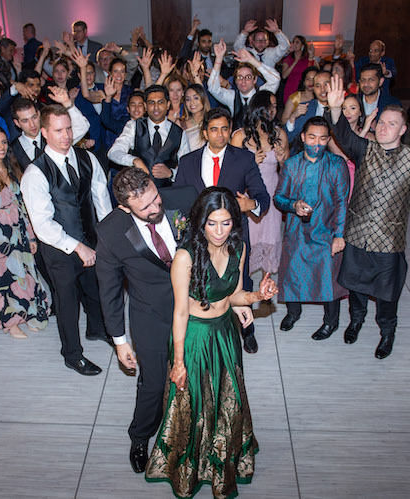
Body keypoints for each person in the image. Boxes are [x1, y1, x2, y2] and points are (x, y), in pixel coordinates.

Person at [145, 187, 277, 499]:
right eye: (212, 223)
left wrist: (258, 296)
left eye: (226, 223)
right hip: (192, 337)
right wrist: (178, 362)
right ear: (200, 222)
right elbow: (179, 312)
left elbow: (233, 294)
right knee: (193, 406)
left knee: (225, 401)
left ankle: (221, 463)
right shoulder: (185, 256)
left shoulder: (239, 247)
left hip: (224, 333)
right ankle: (190, 468)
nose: (219, 232)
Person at [325, 74, 410, 359]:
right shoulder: (365, 150)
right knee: (354, 286)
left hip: (389, 242)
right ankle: (356, 321)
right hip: (357, 236)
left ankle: (387, 333)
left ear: (403, 130)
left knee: (387, 295)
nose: (384, 128)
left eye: (392, 124)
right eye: (381, 123)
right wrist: (336, 109)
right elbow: (344, 136)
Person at [95, 167, 198, 474]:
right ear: (124, 207)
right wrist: (119, 341)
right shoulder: (110, 232)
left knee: (196, 373)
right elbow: (109, 289)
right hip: (150, 312)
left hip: (195, 306)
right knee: (152, 384)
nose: (155, 208)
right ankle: (140, 437)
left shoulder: (184, 198)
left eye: (155, 198)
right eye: (145, 208)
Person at [21, 104, 112, 376]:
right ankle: (72, 354)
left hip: (91, 237)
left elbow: (100, 197)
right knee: (67, 300)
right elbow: (43, 225)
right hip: (58, 248)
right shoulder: (35, 173)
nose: (66, 135)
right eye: (59, 130)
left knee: (95, 287)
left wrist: (105, 235)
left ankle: (97, 329)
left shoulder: (86, 158)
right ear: (45, 132)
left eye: (69, 128)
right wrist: (78, 247)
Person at [175, 107, 271, 354]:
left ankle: (246, 332)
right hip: (198, 236)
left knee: (240, 281)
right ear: (205, 132)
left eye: (225, 129)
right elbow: (177, 201)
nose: (220, 134)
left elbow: (261, 194)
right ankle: (200, 327)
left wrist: (251, 204)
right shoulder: (188, 162)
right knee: (200, 281)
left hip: (233, 234)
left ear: (230, 131)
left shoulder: (244, 158)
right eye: (214, 129)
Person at [0, 126, 51, 338]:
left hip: (20, 230)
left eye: (4, 142)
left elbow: (24, 205)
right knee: (6, 279)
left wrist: (31, 235)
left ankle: (31, 313)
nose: (1, 146)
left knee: (27, 274)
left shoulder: (15, 169)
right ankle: (11, 322)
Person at [275, 116, 349, 338]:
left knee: (328, 276)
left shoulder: (337, 165)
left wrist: (339, 234)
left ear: (328, 140)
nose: (317, 143)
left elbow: (341, 202)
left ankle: (331, 321)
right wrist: (293, 204)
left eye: (322, 139)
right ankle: (293, 312)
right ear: (303, 137)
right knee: (292, 272)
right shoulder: (291, 164)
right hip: (297, 231)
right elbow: (278, 198)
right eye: (312, 137)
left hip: (326, 230)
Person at [230, 90, 288, 275]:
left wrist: (281, 159)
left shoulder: (280, 134)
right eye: (269, 106)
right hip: (248, 195)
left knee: (270, 239)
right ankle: (242, 290)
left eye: (275, 106)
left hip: (271, 195)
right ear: (258, 107)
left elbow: (288, 171)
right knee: (248, 241)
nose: (272, 110)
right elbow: (229, 171)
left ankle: (266, 292)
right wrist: (249, 163)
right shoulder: (240, 136)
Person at [108, 84, 191, 188]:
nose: (156, 107)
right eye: (151, 103)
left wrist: (171, 173)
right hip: (139, 193)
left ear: (168, 104)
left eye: (160, 102)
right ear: (146, 106)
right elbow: (113, 152)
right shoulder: (134, 126)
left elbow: (188, 168)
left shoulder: (179, 133)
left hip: (168, 194)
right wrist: (134, 161)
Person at [207, 39, 281, 127]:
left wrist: (251, 60)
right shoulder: (232, 97)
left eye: (248, 77)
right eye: (240, 77)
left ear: (255, 80)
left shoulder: (262, 94)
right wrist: (219, 58)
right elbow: (213, 89)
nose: (243, 81)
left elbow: (275, 79)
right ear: (235, 81)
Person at [9, 90, 90, 170]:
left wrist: (67, 102)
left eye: (34, 117)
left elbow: (82, 127)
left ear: (39, 114)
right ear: (17, 123)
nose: (32, 124)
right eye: (25, 121)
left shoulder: (55, 135)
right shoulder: (13, 149)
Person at [281, 35, 311, 102]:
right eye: (293, 42)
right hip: (290, 88)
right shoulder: (288, 58)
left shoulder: (307, 58)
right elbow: (284, 76)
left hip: (303, 89)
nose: (294, 44)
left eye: (297, 42)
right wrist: (295, 61)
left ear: (302, 46)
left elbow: (313, 71)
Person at [181, 83, 210, 149]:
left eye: (196, 98)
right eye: (188, 99)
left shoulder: (211, 121)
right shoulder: (181, 123)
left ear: (203, 98)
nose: (192, 102)